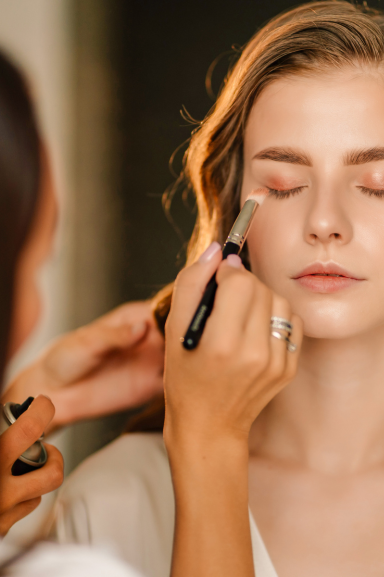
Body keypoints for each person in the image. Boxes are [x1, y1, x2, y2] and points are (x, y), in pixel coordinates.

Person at [52, 1, 384, 576]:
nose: (325, 221)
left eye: (377, 185)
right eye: (283, 185)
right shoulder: (113, 500)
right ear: (234, 216)